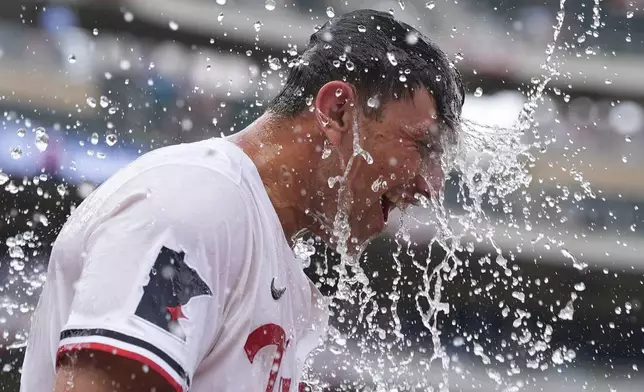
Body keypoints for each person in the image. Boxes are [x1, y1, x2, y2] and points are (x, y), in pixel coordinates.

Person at [20, 8, 464, 392]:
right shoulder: (197, 205)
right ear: (337, 111)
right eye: (422, 147)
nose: (432, 184)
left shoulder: (257, 233)